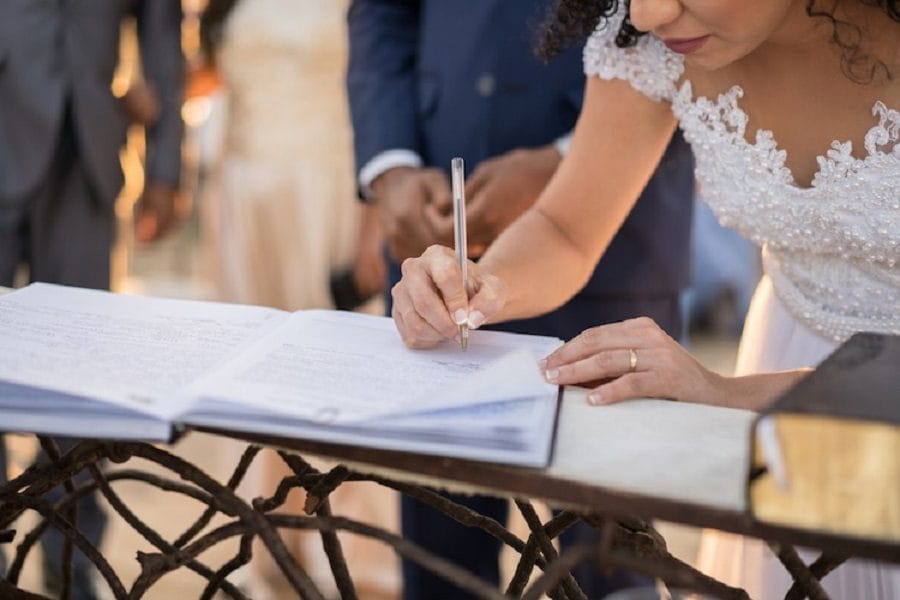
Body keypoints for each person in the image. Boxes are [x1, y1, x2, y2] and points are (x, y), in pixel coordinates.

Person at [389, 0, 899, 598]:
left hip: (821, 397)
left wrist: (728, 394)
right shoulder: (652, 38)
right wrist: (485, 284)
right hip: (790, 368)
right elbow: (566, 228)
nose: (652, 13)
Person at [347, 1, 695, 597]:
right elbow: (383, 12)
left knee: (608, 552)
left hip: (621, 255)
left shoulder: (675, 32)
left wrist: (569, 159)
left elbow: (683, 47)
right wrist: (392, 167)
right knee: (441, 548)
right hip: (441, 228)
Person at [198, 0, 394, 597]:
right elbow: (209, 76)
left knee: (337, 382)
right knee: (257, 388)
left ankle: (353, 555)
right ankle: (272, 545)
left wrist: (373, 227)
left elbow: (378, 93)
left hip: (328, 196)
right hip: (245, 203)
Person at [0, 1, 184, 596]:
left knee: (79, 381)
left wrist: (164, 165)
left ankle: (71, 560)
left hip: (88, 148)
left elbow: (162, 33)